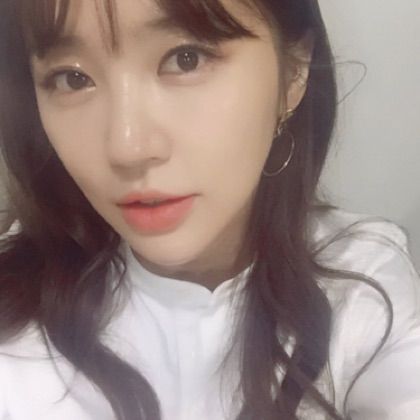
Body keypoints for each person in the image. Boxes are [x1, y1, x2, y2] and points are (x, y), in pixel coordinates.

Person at [0, 0, 419, 419]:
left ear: (293, 71)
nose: (127, 148)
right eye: (72, 79)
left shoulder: (363, 278)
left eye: (186, 58)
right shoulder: (16, 329)